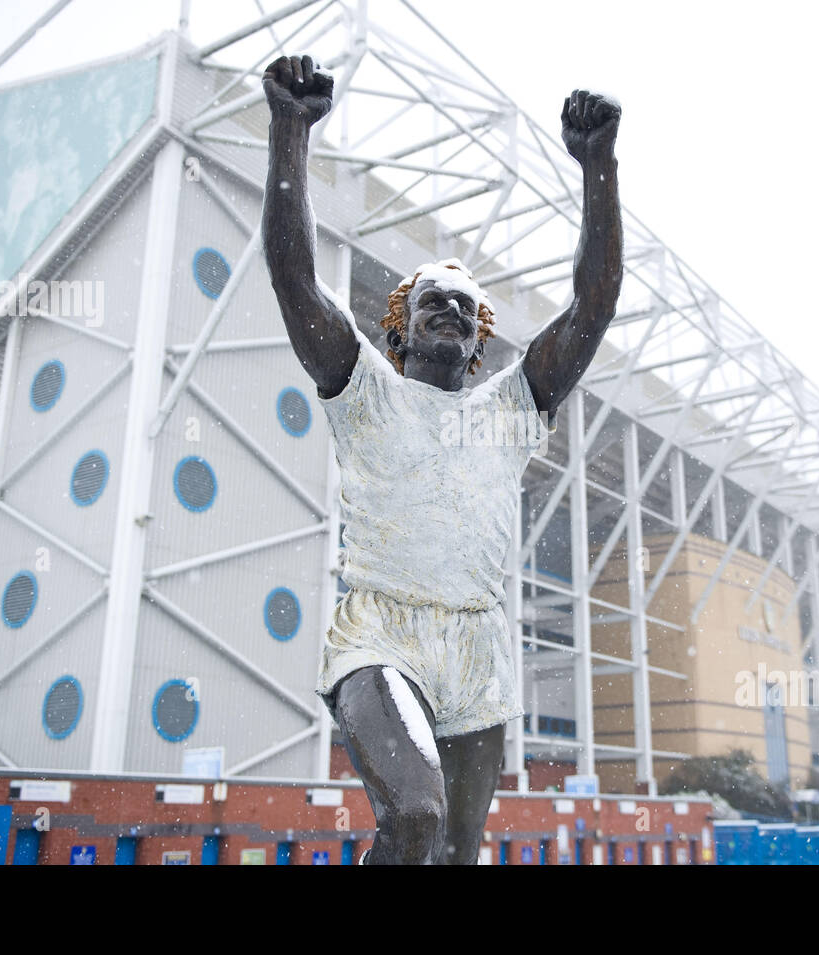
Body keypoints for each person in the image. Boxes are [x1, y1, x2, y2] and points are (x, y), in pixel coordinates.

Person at [262, 53, 623, 864]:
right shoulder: (362, 387)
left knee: (457, 853)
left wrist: (597, 168)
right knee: (414, 814)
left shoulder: (509, 408)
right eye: (434, 302)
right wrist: (291, 133)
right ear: (399, 329)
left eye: (467, 308)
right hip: (381, 632)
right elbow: (294, 279)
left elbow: (593, 307)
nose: (454, 311)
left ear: (477, 343)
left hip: (475, 650)